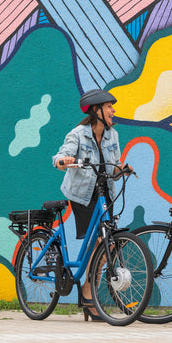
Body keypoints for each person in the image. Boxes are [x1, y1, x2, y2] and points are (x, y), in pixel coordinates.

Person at [52, 88, 131, 321]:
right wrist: (64, 161)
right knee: (98, 241)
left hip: (105, 195)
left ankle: (89, 290)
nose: (113, 110)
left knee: (109, 243)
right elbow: (59, 157)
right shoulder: (78, 134)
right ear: (96, 110)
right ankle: (88, 293)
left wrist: (122, 169)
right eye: (109, 106)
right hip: (83, 196)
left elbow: (114, 168)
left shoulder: (112, 136)